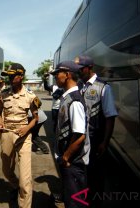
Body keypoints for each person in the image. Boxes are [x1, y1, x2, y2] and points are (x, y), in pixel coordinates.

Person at [75, 55, 118, 207]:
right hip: (81, 140)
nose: (78, 72)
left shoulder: (103, 87)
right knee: (83, 175)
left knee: (96, 177)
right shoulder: (80, 85)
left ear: (90, 67)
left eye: (81, 69)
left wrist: (105, 142)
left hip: (95, 140)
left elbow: (110, 117)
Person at [0, 63, 41, 208]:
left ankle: (24, 204)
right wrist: (0, 123)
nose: (9, 78)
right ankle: (15, 186)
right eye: (8, 75)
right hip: (7, 134)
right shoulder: (2, 94)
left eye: (12, 75)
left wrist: (26, 128)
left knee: (25, 179)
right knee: (6, 170)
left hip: (24, 136)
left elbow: (35, 118)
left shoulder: (30, 96)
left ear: (21, 76)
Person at [50, 61, 90, 208]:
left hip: (73, 162)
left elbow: (80, 135)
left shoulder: (74, 101)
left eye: (57, 74)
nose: (55, 77)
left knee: (76, 202)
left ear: (67, 75)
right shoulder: (67, 97)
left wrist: (66, 157)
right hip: (69, 160)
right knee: (71, 199)